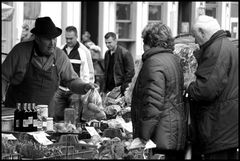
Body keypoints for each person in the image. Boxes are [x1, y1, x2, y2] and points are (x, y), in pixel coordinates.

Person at [2, 17, 95, 110]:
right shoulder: (20, 51)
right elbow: (3, 77)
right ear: (37, 39)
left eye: (54, 38)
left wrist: (85, 86)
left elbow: (72, 80)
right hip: (17, 115)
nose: (52, 43)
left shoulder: (59, 56)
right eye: (47, 39)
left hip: (45, 118)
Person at [131, 22, 186, 160]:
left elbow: (153, 103)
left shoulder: (153, 62)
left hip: (159, 137)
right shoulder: (173, 59)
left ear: (148, 42)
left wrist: (143, 136)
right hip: (172, 133)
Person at [186, 15, 238, 160]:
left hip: (218, 127)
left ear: (202, 32)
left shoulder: (216, 50)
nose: (195, 41)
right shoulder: (226, 45)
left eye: (195, 36)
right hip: (226, 125)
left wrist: (189, 86)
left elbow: (205, 91)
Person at [50, 26, 94, 121]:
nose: (68, 41)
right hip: (60, 89)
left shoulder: (83, 51)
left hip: (75, 91)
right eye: (66, 38)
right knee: (56, 116)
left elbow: (87, 73)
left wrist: (85, 91)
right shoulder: (60, 49)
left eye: (71, 38)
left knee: (73, 118)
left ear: (76, 36)